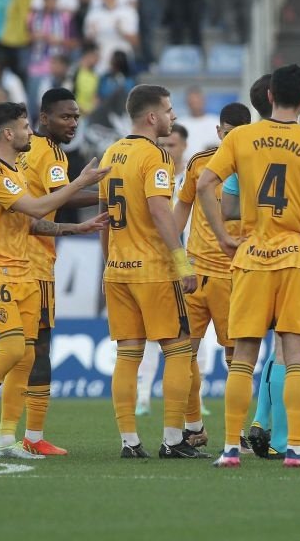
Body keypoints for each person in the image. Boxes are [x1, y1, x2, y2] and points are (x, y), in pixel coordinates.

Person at [198, 64, 300, 468]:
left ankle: (231, 450)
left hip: (251, 258)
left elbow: (204, 184)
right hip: (295, 258)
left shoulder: (241, 137)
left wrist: (221, 235)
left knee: (244, 358)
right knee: (296, 355)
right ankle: (295, 451)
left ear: (269, 96)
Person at [0, 101, 109, 459]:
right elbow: (38, 208)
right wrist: (82, 183)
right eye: (24, 127)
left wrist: (77, 227)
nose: (29, 132)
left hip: (23, 270)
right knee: (9, 349)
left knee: (24, 356)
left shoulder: (16, 172)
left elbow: (34, 223)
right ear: (8, 133)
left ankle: (8, 438)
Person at [99, 85, 203, 459]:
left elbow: (104, 218)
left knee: (128, 355)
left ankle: (129, 441)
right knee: (178, 350)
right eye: (169, 111)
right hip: (153, 270)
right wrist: (181, 261)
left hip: (118, 269)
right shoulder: (157, 156)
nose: (173, 117)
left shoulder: (111, 152)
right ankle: (174, 440)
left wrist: (108, 261)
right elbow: (160, 210)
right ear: (152, 117)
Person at [158, 105, 252, 455]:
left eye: (239, 132)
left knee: (236, 357)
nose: (232, 138)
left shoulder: (256, 164)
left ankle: (236, 433)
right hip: (196, 272)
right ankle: (193, 427)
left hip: (235, 273)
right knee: (184, 352)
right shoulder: (200, 163)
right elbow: (181, 207)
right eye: (228, 132)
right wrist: (174, 252)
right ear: (218, 131)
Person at [135, 123, 190, 418]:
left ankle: (195, 404)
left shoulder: (194, 175)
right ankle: (144, 398)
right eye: (165, 145)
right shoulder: (156, 170)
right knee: (164, 339)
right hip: (161, 262)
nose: (167, 149)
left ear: (183, 146)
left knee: (195, 340)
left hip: (189, 259)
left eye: (172, 145)